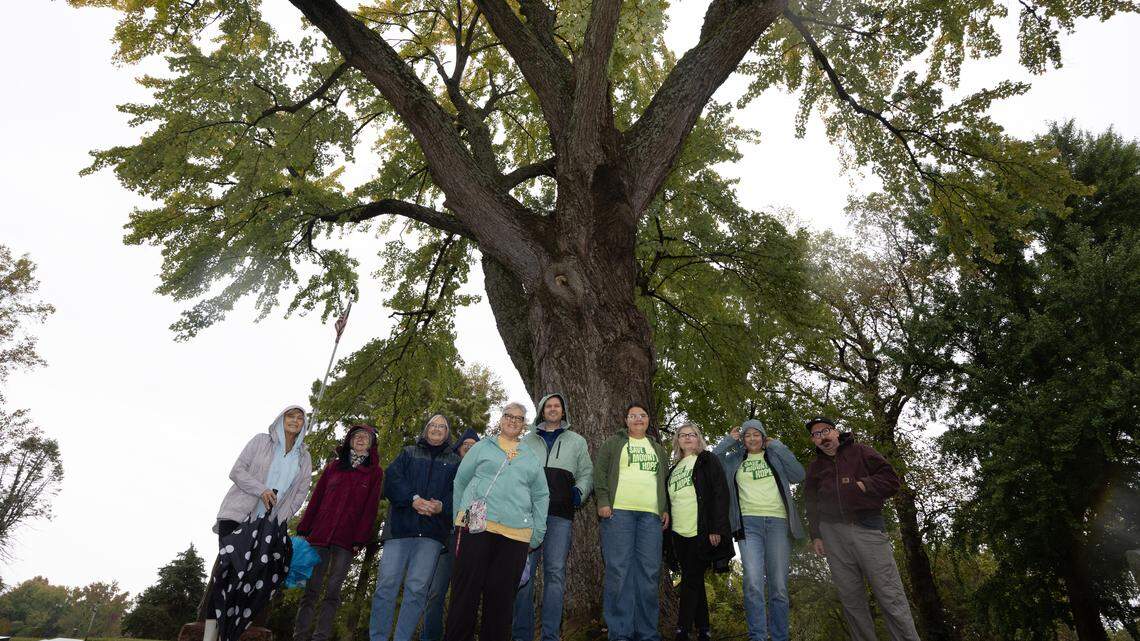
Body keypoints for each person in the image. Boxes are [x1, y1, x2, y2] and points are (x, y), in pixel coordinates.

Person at [803, 416, 921, 641]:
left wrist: (863, 485)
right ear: (813, 441)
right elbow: (811, 504)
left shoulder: (862, 451)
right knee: (851, 600)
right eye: (816, 434)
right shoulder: (815, 468)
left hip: (868, 530)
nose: (823, 436)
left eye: (826, 430)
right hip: (833, 537)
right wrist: (816, 535)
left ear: (836, 432)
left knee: (890, 595)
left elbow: (891, 480)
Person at [204, 405, 313, 641]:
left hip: (270, 525)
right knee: (226, 573)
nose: (295, 421)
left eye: (300, 418)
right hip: (238, 515)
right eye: (290, 416)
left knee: (253, 580)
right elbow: (237, 470)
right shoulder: (261, 441)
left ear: (304, 425)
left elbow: (302, 490)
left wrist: (283, 515)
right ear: (280, 419)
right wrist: (261, 490)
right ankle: (208, 635)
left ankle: (231, 634)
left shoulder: (304, 457)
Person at [446, 403, 549, 641]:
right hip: (475, 526)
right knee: (464, 595)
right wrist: (459, 519)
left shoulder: (531, 457)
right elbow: (460, 481)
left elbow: (541, 495)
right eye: (509, 416)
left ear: (524, 425)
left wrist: (537, 533)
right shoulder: (482, 447)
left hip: (516, 535)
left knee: (501, 602)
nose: (514, 421)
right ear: (501, 419)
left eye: (519, 418)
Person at [712, 419, 805, 641]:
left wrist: (778, 445)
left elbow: (799, 474)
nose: (752, 438)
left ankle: (780, 636)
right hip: (748, 525)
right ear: (742, 440)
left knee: (779, 585)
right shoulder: (734, 459)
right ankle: (758, 636)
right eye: (747, 435)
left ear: (763, 437)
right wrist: (727, 441)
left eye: (757, 434)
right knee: (753, 582)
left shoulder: (774, 456)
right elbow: (711, 462)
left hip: (778, 523)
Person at [370, 414, 461, 641]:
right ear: (426, 428)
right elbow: (392, 479)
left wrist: (441, 506)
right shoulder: (408, 452)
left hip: (431, 535)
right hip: (399, 530)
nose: (437, 429)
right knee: (386, 585)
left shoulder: (454, 462)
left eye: (443, 426)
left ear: (447, 433)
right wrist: (413, 499)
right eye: (433, 425)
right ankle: (378, 637)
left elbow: (459, 491)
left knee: (417, 590)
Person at [513, 393, 594, 641]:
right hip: (528, 515)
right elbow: (514, 472)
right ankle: (521, 635)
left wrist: (579, 492)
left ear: (563, 411)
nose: (552, 409)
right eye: (548, 405)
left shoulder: (577, 441)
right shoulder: (526, 441)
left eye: (557, 405)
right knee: (523, 574)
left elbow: (586, 472)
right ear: (541, 411)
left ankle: (551, 635)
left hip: (560, 516)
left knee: (555, 574)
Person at [294, 424, 384, 641]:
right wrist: (304, 528)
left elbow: (370, 509)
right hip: (319, 535)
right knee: (311, 590)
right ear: (349, 441)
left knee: (333, 592)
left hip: (346, 540)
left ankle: (320, 636)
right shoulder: (334, 467)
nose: (361, 440)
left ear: (371, 445)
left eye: (365, 438)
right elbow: (316, 498)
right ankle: (300, 635)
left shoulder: (374, 473)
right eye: (356, 437)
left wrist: (360, 539)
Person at [594, 403, 670, 641]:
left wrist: (664, 508)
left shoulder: (657, 448)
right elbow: (600, 473)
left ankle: (647, 633)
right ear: (625, 420)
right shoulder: (613, 443)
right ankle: (620, 632)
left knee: (649, 573)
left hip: (650, 517)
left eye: (643, 415)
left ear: (648, 421)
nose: (638, 419)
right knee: (619, 571)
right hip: (619, 515)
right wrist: (604, 501)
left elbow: (662, 482)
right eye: (633, 416)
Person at [664, 423, 734, 641]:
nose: (687, 438)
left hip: (701, 530)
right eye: (682, 435)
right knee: (692, 578)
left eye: (692, 434)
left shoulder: (707, 459)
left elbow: (720, 493)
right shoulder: (673, 469)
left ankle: (682, 629)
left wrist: (716, 527)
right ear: (677, 440)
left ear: (698, 438)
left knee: (691, 578)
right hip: (678, 532)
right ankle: (704, 629)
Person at [421, 427, 481, 641]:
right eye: (466, 446)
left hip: (471, 536)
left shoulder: (482, 475)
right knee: (435, 592)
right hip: (444, 537)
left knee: (465, 592)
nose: (469, 449)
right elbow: (437, 500)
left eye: (474, 447)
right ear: (459, 449)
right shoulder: (447, 469)